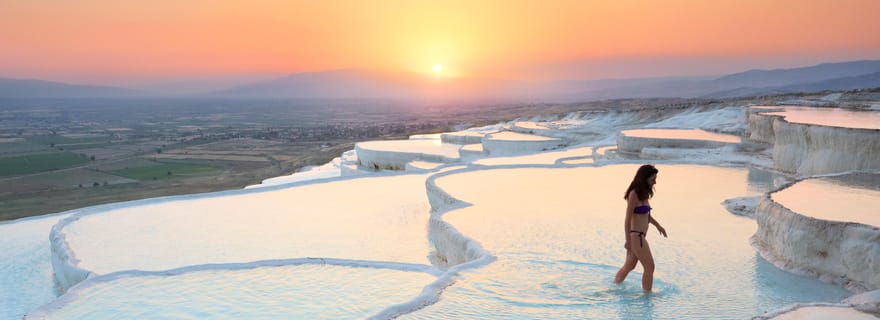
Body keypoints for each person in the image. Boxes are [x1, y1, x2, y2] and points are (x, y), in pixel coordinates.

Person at [614, 164, 667, 291]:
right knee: (650, 267)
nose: (655, 182)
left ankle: (614, 286)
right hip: (636, 236)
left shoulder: (644, 194)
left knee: (629, 266)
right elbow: (627, 219)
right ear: (644, 178)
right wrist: (628, 241)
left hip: (640, 236)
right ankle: (647, 296)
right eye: (652, 179)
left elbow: (647, 216)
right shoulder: (633, 194)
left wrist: (658, 226)